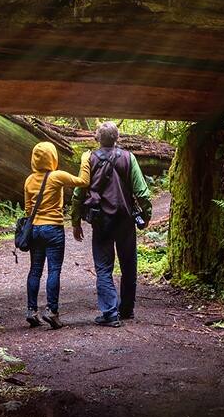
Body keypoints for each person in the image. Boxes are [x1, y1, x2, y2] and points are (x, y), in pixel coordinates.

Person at [71, 122, 153, 327]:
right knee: (128, 265)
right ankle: (126, 309)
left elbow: (78, 193)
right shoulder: (129, 157)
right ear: (117, 138)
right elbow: (141, 191)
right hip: (125, 219)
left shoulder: (89, 159)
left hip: (101, 221)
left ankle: (109, 312)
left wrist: (75, 221)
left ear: (97, 138)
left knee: (104, 267)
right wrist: (147, 214)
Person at [21, 141, 81, 329]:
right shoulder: (57, 176)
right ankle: (52, 311)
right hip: (53, 229)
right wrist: (86, 160)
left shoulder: (29, 180)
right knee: (54, 270)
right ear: (53, 157)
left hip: (36, 230)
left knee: (35, 270)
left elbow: (28, 209)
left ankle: (32, 311)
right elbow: (83, 181)